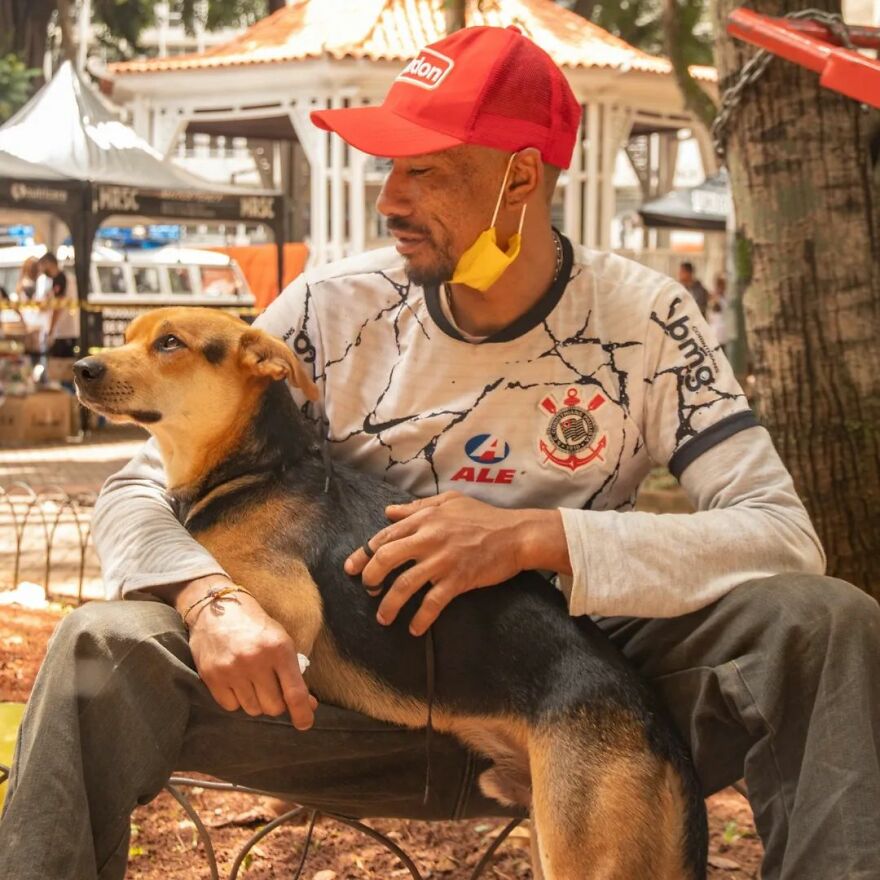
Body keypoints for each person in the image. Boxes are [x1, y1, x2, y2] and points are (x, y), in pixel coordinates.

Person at [1, 25, 878, 880]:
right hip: (332, 702)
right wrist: (207, 599)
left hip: (581, 693)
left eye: (425, 171)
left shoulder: (647, 321)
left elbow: (780, 536)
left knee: (828, 619)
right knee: (99, 648)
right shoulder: (327, 310)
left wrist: (538, 538)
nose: (389, 199)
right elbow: (134, 490)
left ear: (520, 179)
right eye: (388, 166)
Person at [36, 252, 79, 359]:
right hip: (67, 330)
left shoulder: (60, 278)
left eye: (42, 266)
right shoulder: (64, 277)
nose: (42, 271)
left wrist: (51, 330)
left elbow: (58, 307)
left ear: (49, 264)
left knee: (60, 366)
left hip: (63, 331)